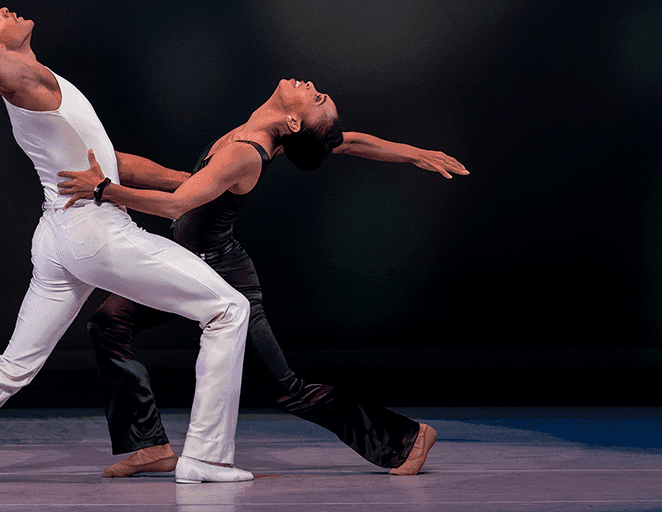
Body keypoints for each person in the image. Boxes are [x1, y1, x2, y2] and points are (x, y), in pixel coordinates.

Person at [0, 0, 254, 484]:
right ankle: (206, 457)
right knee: (229, 310)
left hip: (60, 240)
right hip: (95, 235)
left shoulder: (42, 85)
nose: (1, 10)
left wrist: (192, 180)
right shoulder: (21, 79)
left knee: (13, 366)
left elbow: (109, 160)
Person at [57, 77, 468, 477]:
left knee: (285, 388)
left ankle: (406, 439)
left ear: (293, 123)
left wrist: (104, 189)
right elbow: (351, 141)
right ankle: (147, 445)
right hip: (187, 260)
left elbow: (175, 204)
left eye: (317, 96)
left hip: (222, 274)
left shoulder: (247, 153)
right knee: (110, 323)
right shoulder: (262, 132)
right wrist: (414, 153)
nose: (310, 85)